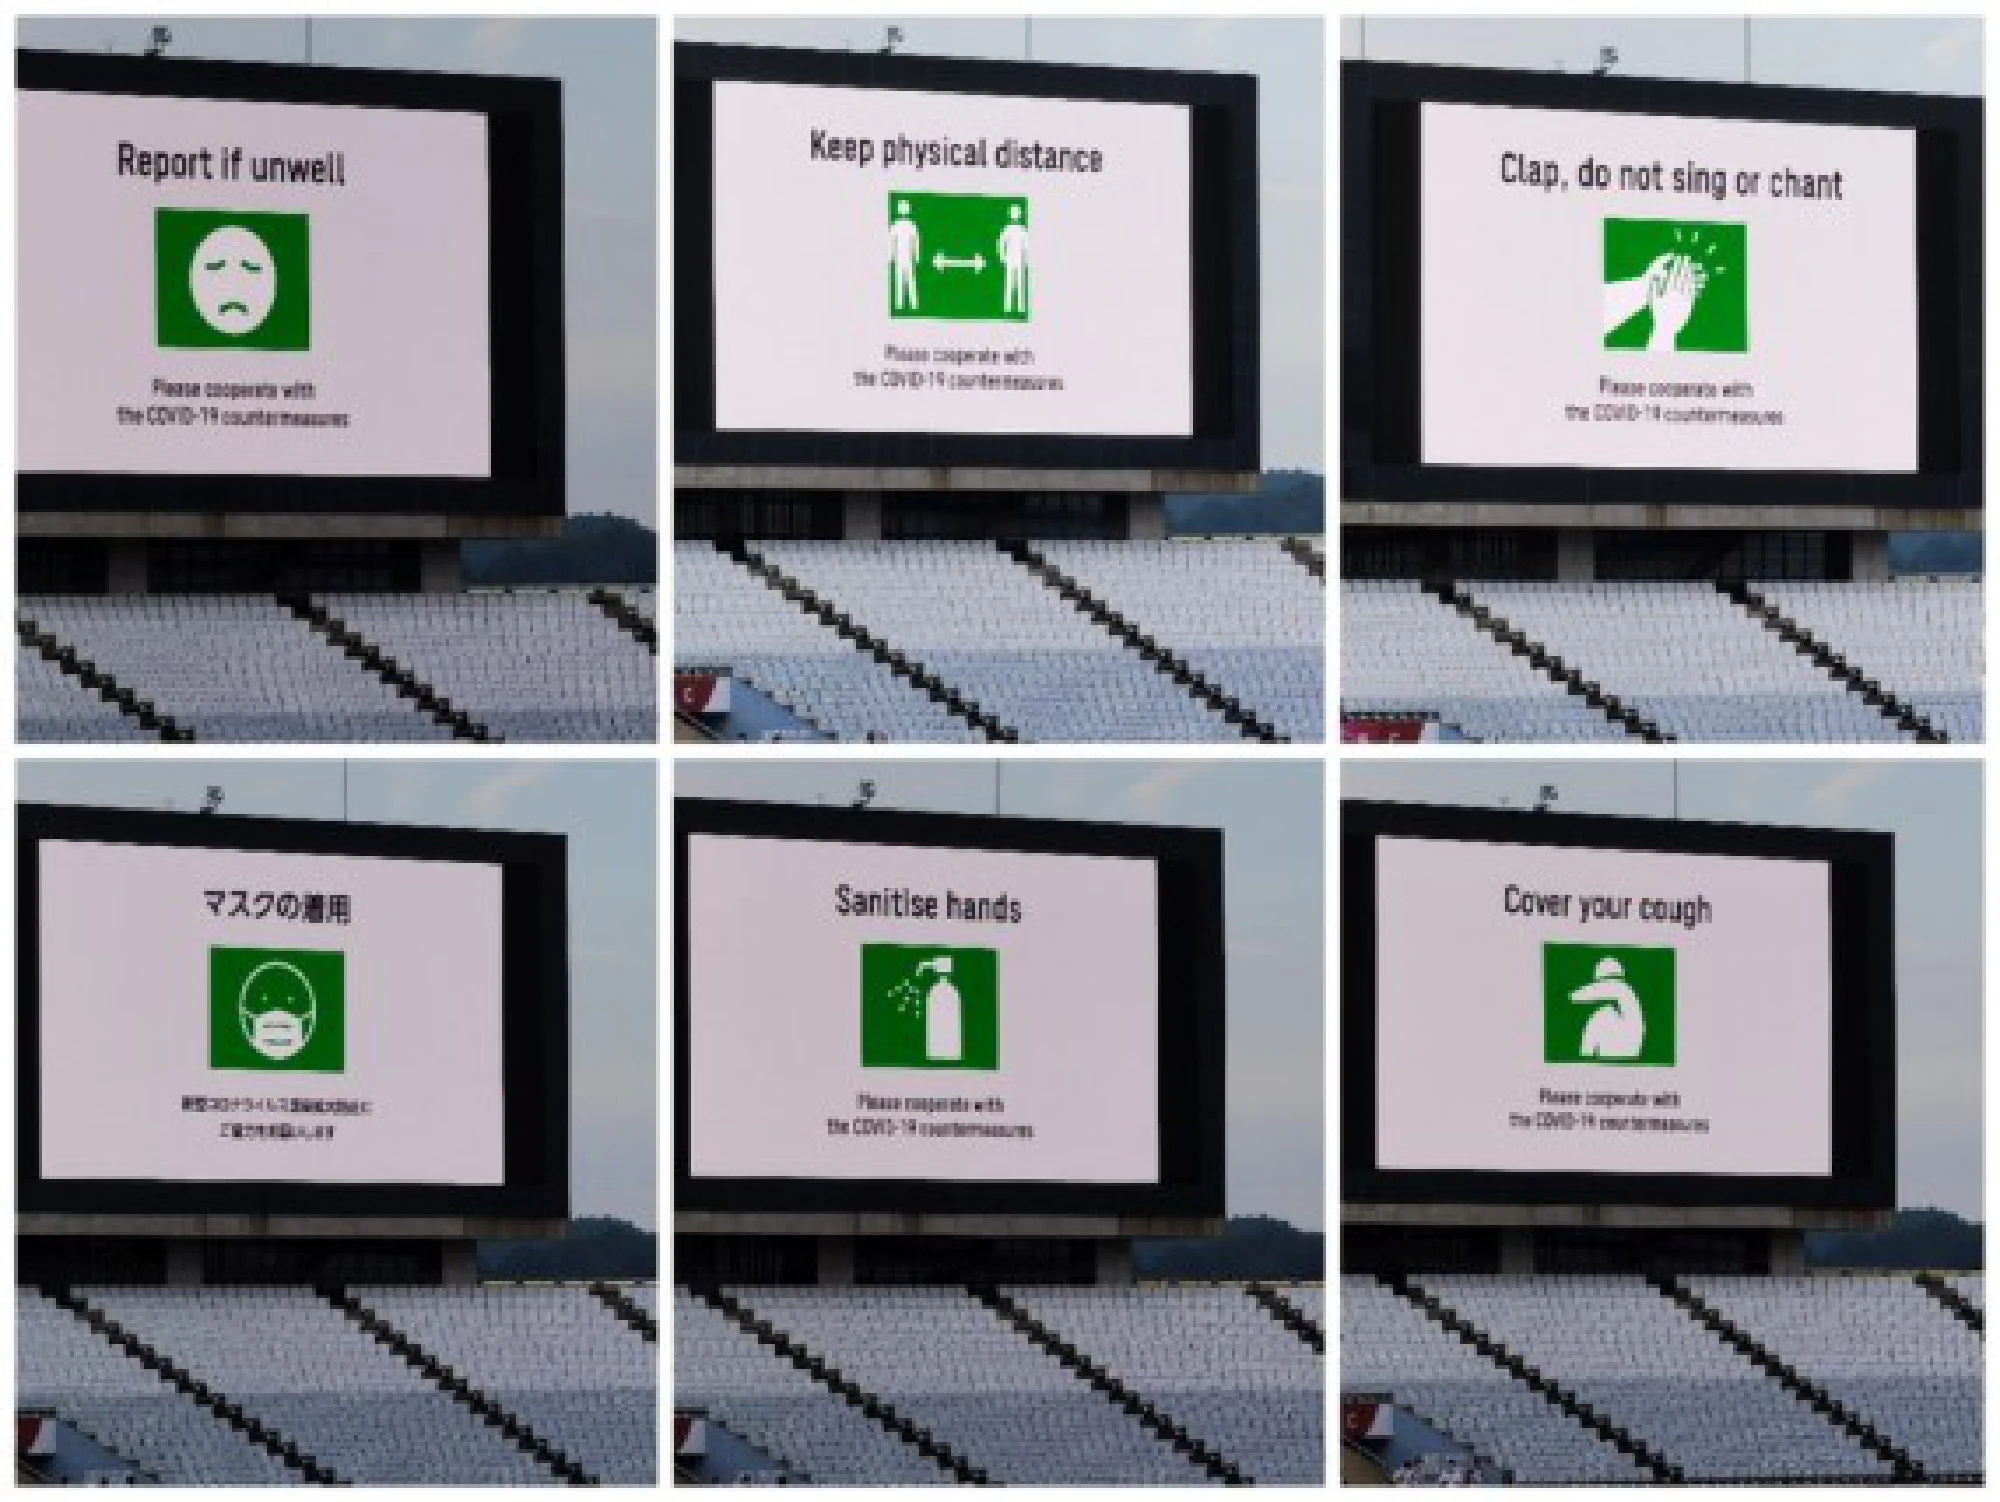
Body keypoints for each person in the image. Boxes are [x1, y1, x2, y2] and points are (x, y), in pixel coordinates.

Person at [997, 204, 1030, 315]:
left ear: (1019, 215)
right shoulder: (1008, 229)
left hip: (1020, 259)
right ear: (1011, 215)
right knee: (1009, 282)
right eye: (1014, 213)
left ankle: (1021, 307)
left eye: (1017, 213)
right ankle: (1007, 307)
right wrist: (1002, 256)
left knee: (1021, 283)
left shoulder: (1022, 230)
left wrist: (1026, 260)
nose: (1015, 215)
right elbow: (1001, 243)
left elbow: (1026, 246)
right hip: (1010, 259)